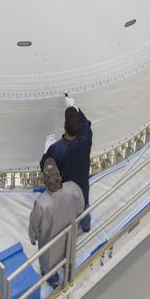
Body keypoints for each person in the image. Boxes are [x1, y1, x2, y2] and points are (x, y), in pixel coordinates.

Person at [28, 158, 84, 289]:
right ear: (60, 175)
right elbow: (81, 207)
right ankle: (69, 270)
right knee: (69, 252)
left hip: (50, 243)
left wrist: (33, 238)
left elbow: (34, 225)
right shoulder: (73, 188)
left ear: (45, 181)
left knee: (48, 262)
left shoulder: (41, 204)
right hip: (70, 234)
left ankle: (52, 280)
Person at [41, 97, 93, 232]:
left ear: (64, 126)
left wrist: (46, 151)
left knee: (69, 215)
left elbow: (45, 167)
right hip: (83, 187)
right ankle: (86, 227)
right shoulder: (85, 139)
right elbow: (86, 124)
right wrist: (76, 109)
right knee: (85, 206)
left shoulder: (57, 149)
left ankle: (70, 236)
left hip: (67, 193)